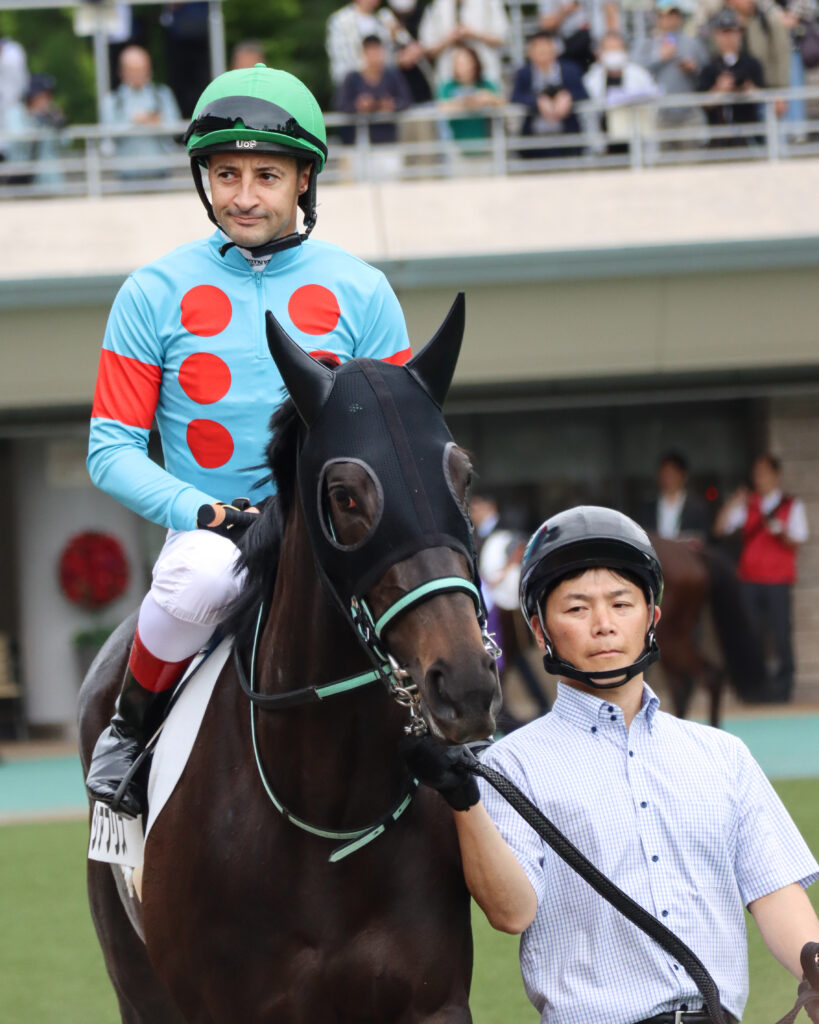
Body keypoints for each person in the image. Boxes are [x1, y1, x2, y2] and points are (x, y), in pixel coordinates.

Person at [84, 64, 412, 818]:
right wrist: (203, 513)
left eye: (266, 174)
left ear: (304, 179)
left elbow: (398, 439)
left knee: (434, 591)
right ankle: (129, 729)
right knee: (195, 583)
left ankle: (459, 733)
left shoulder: (363, 289)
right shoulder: (150, 292)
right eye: (224, 173)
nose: (242, 195)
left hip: (339, 538)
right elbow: (110, 449)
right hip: (218, 537)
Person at [406, 505, 819, 1022]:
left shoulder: (724, 757)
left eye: (621, 603)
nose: (603, 624)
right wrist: (463, 800)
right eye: (576, 609)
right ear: (539, 630)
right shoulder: (511, 766)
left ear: (652, 617)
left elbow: (776, 897)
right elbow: (511, 912)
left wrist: (817, 975)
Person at [714, 453, 808, 702]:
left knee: (781, 635)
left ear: (776, 475)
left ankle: (783, 689)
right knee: (751, 636)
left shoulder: (791, 505)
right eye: (756, 473)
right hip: (749, 580)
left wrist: (780, 531)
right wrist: (734, 501)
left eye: (764, 472)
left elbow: (798, 541)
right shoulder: (748, 504)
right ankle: (755, 689)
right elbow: (720, 528)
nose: (760, 478)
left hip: (778, 581)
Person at [100, 44, 182, 177]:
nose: (138, 74)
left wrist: (157, 123)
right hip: (126, 173)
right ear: (121, 71)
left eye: (142, 69)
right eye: (133, 70)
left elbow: (177, 128)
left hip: (161, 171)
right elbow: (106, 134)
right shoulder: (112, 100)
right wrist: (134, 123)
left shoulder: (162, 95)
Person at [632, 0, 708, 142]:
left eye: (672, 15)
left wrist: (693, 68)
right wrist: (659, 57)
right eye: (663, 15)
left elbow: (706, 71)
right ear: (657, 18)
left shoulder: (692, 42)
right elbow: (633, 70)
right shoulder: (647, 43)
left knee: (690, 160)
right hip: (656, 113)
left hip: (687, 111)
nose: (668, 20)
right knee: (662, 161)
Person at [510, 30, 587, 157]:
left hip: (567, 138)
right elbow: (515, 97)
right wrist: (538, 102)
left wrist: (567, 97)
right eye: (537, 48)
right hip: (534, 141)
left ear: (554, 50)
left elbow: (583, 94)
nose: (542, 52)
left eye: (545, 47)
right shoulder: (523, 73)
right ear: (529, 53)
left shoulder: (570, 70)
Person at [584, 31, 659, 153]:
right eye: (609, 49)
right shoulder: (591, 79)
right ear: (600, 53)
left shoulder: (639, 75)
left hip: (635, 141)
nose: (614, 53)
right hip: (604, 142)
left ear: (625, 51)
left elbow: (652, 104)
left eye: (617, 49)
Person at [697, 8, 765, 142]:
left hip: (749, 135)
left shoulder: (751, 64)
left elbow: (764, 95)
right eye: (724, 33)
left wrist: (748, 90)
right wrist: (718, 89)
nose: (728, 38)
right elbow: (702, 103)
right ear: (716, 35)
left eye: (732, 32)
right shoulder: (709, 68)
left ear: (739, 34)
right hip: (719, 138)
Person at [334, 33, 414, 144]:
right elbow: (340, 105)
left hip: (387, 139)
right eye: (371, 51)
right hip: (358, 141)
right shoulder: (352, 78)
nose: (375, 56)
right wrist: (358, 106)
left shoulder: (392, 75)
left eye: (377, 50)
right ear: (363, 53)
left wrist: (392, 105)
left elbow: (406, 100)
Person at [418, 0, 510, 90]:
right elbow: (427, 48)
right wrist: (449, 39)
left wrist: (473, 33)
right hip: (447, 78)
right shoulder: (436, 5)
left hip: (485, 75)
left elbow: (502, 38)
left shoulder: (489, 3)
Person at [3, 73, 67, 188]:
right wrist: (35, 120)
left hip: (49, 181)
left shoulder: (50, 116)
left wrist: (60, 126)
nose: (48, 99)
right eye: (45, 95)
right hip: (20, 180)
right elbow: (18, 142)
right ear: (33, 96)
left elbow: (65, 143)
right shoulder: (15, 113)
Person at [636, 450, 710, 542]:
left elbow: (703, 539)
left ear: (684, 476)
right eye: (664, 473)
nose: (668, 479)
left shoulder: (697, 507)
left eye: (672, 473)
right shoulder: (647, 505)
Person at [436, 42, 504, 141]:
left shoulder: (487, 85)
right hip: (456, 143)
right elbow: (441, 106)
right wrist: (465, 103)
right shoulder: (447, 86)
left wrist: (487, 99)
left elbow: (502, 102)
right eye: (459, 63)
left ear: (475, 62)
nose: (463, 67)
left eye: (466, 62)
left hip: (487, 143)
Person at [537, 0, 622, 72]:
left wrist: (608, 43)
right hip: (566, 46)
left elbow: (611, 13)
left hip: (596, 44)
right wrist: (565, 11)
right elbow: (546, 25)